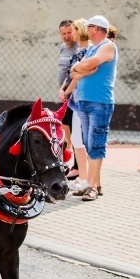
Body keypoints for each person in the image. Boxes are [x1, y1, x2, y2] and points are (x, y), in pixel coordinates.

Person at [68, 15, 117, 201]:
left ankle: (92, 187)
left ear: (96, 29)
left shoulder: (107, 46)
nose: (86, 30)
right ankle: (94, 184)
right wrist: (82, 69)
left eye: (88, 27)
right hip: (84, 102)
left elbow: (85, 66)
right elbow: (73, 71)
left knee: (96, 144)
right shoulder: (91, 50)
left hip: (99, 102)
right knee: (89, 144)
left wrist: (82, 68)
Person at [58, 19, 90, 189]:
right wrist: (62, 89)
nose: (69, 34)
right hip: (72, 98)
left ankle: (85, 177)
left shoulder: (86, 51)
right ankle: (81, 176)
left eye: (72, 30)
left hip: (79, 98)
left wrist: (68, 90)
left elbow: (77, 75)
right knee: (74, 137)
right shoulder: (71, 49)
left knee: (81, 140)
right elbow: (69, 74)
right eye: (64, 33)